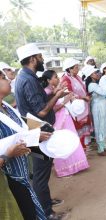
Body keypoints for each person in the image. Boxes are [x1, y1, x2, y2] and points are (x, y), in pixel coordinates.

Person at [14, 43, 67, 220]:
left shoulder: (28, 77)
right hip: (35, 127)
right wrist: (58, 97)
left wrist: (54, 94)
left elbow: (41, 102)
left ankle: (46, 202)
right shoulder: (28, 80)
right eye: (40, 56)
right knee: (40, 173)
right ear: (32, 59)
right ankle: (46, 212)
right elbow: (41, 112)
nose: (43, 59)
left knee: (43, 170)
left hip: (36, 126)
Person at [0, 77, 49, 220]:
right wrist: (9, 154)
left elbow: (20, 131)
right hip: (9, 183)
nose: (8, 79)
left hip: (22, 177)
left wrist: (39, 133)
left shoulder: (6, 107)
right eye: (3, 78)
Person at [41, 70, 89, 177]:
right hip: (58, 120)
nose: (58, 79)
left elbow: (62, 96)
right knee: (61, 144)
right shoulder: (46, 92)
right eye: (55, 77)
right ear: (49, 80)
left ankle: (76, 166)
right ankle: (65, 170)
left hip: (65, 118)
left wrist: (68, 94)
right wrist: (65, 101)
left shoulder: (53, 89)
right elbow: (51, 109)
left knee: (71, 140)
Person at [61, 58, 92, 150]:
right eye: (76, 67)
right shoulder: (65, 78)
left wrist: (87, 96)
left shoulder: (77, 77)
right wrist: (83, 97)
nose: (78, 69)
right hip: (74, 108)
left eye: (78, 67)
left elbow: (82, 89)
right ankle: (79, 149)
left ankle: (83, 147)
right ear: (69, 69)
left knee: (83, 127)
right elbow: (69, 93)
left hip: (82, 106)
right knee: (78, 128)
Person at [85, 65, 106, 156]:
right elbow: (103, 92)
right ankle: (101, 149)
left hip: (101, 105)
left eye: (97, 72)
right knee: (100, 127)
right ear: (90, 75)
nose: (98, 74)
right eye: (95, 73)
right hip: (98, 107)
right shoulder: (92, 85)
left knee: (103, 126)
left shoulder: (94, 84)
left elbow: (101, 95)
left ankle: (103, 146)